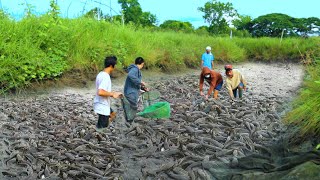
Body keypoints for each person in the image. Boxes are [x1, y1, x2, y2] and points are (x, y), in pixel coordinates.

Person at [94, 56, 123, 129]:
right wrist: (113, 94)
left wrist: (114, 93)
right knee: (101, 129)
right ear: (111, 65)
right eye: (115, 65)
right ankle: (98, 135)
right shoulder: (105, 77)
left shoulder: (101, 74)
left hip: (102, 104)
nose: (115, 67)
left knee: (112, 114)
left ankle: (100, 129)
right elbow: (100, 92)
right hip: (102, 106)